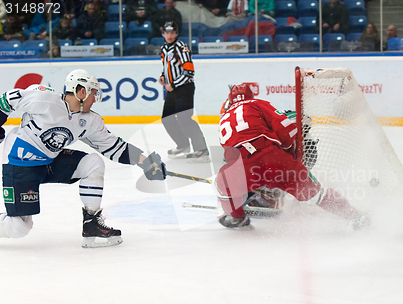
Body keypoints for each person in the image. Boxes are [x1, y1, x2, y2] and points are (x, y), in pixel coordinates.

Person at [0, 69, 168, 248]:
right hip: (19, 161)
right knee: (19, 226)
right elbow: (8, 99)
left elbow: (113, 146)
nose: (95, 99)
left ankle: (91, 224)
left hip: (50, 161)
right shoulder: (45, 99)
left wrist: (145, 162)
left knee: (93, 163)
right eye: (93, 94)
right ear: (82, 91)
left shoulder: (90, 121)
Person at [216, 84, 368, 228]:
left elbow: (228, 154)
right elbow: (285, 128)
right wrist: (287, 153)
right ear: (251, 95)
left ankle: (236, 217)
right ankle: (356, 216)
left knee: (222, 184)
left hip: (242, 167)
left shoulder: (223, 119)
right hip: (274, 158)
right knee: (317, 194)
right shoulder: (257, 103)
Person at [158, 21, 210, 163]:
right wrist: (163, 76)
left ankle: (202, 150)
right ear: (163, 34)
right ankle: (183, 145)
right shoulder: (164, 48)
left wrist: (173, 84)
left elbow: (189, 72)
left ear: (176, 33)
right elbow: (167, 66)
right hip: (173, 89)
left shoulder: (181, 47)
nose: (169, 35)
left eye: (172, 32)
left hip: (184, 89)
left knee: (184, 119)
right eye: (167, 33)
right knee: (167, 119)